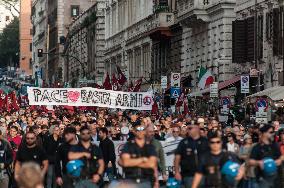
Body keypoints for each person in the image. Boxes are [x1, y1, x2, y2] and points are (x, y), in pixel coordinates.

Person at [174, 122, 209, 188]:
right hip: (188, 175)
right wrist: (177, 172)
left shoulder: (205, 141)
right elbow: (177, 157)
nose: (188, 130)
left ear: (197, 129)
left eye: (190, 128)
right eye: (188, 128)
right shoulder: (183, 142)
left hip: (204, 175)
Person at [249, 124, 282, 188]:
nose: (273, 134)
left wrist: (280, 160)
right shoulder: (257, 147)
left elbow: (281, 156)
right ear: (264, 133)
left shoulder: (275, 145)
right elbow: (250, 161)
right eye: (271, 132)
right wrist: (258, 162)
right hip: (263, 179)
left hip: (276, 179)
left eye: (273, 132)